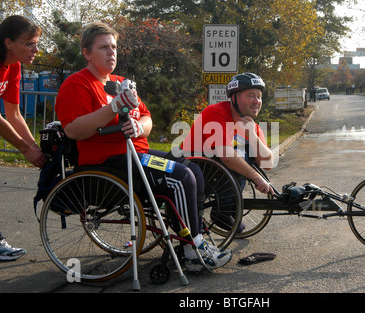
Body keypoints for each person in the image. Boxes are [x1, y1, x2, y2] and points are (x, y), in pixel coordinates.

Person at [54, 21, 231, 272]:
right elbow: (73, 130)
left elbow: (146, 117)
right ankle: (193, 249)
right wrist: (113, 108)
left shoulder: (121, 82)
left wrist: (140, 127)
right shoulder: (77, 84)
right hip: (108, 160)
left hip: (136, 152)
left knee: (193, 168)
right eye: (103, 47)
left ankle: (192, 236)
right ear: (87, 53)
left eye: (114, 47)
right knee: (180, 178)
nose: (111, 52)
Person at [0, 15, 47, 261]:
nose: (36, 50)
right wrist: (24, 149)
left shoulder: (14, 66)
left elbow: (14, 113)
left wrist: (34, 147)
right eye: (30, 43)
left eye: (36, 43)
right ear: (9, 42)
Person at [182, 72, 275, 194]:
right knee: (239, 157)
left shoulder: (253, 127)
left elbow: (267, 163)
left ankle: (229, 212)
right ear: (235, 98)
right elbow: (227, 156)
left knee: (244, 153)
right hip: (192, 171)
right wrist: (256, 177)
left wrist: (252, 136)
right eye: (251, 95)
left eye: (259, 96)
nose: (257, 101)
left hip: (218, 176)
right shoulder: (215, 112)